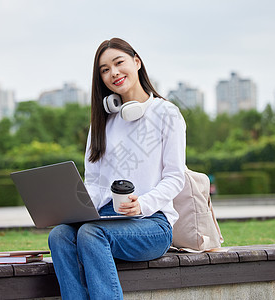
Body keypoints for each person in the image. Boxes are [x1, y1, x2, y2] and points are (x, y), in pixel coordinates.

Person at [48, 37, 186, 299]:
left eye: (118, 63)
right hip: (106, 218)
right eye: (104, 69)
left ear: (136, 62)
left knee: (91, 234)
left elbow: (174, 177)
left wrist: (142, 204)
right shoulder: (102, 123)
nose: (113, 73)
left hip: (152, 221)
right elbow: (95, 183)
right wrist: (72, 208)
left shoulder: (167, 113)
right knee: (59, 236)